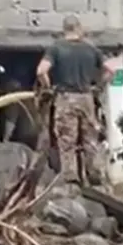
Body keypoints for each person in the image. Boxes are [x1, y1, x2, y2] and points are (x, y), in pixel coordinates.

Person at [36, 15, 111, 185]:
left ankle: (71, 180)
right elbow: (110, 71)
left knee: (67, 140)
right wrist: (97, 87)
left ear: (64, 30)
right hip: (87, 99)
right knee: (90, 140)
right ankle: (95, 177)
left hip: (65, 98)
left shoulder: (56, 49)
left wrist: (47, 88)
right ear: (79, 28)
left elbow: (41, 71)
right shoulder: (91, 49)